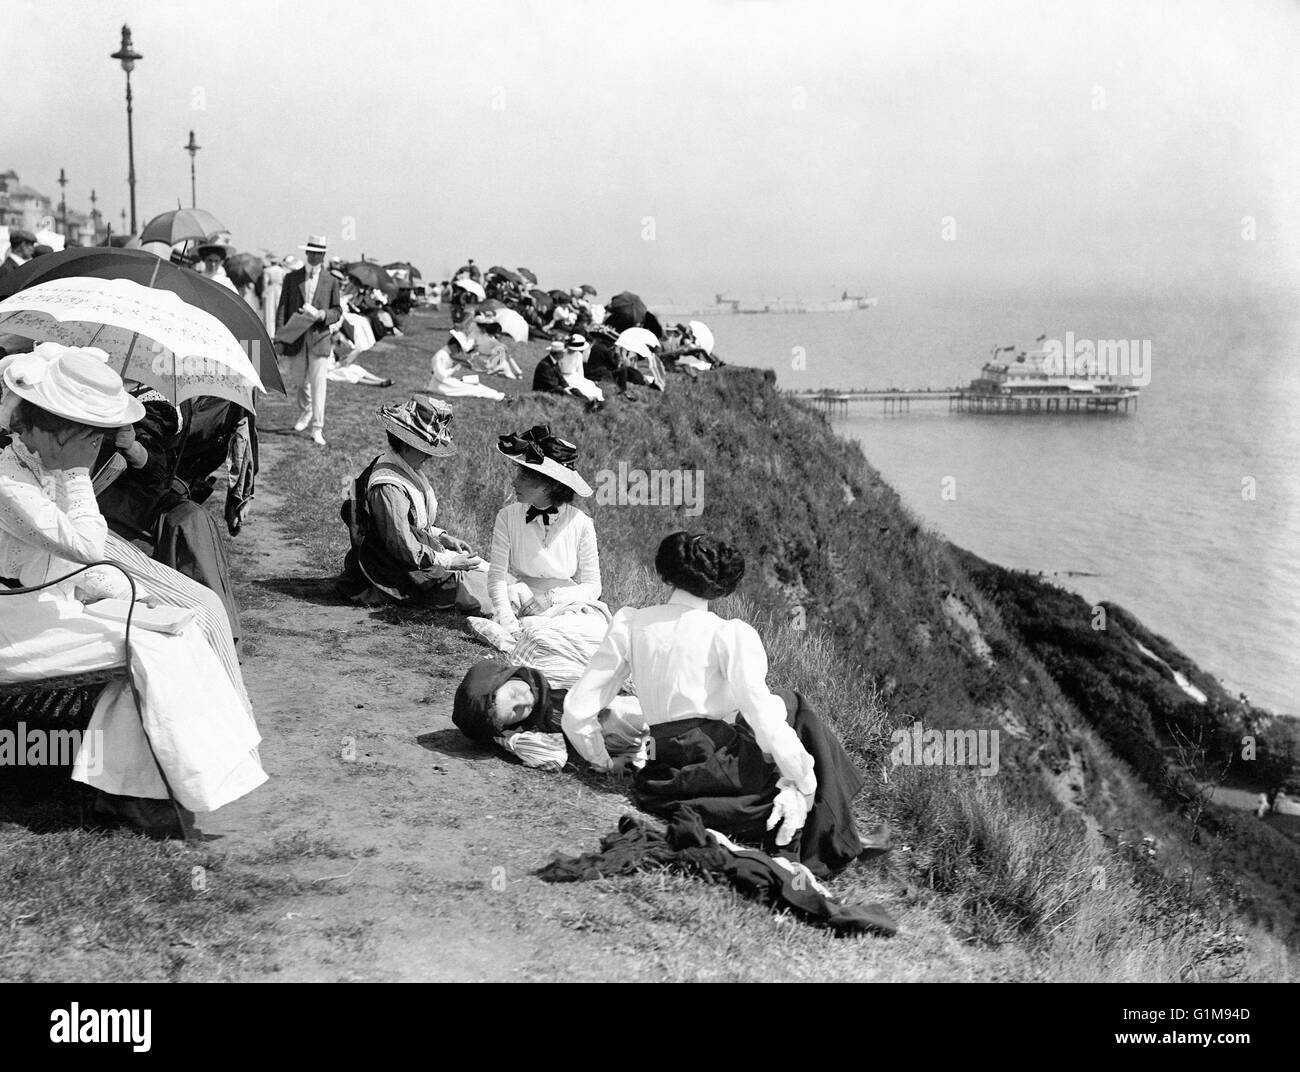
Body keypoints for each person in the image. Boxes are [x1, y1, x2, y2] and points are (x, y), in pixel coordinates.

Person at [0, 344, 264, 835]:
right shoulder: (11, 481)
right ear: (56, 431)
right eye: (90, 435)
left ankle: (145, 785)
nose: (97, 447)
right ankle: (130, 794)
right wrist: (79, 473)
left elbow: (67, 563)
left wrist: (128, 597)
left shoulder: (38, 468)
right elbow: (85, 544)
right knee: (150, 647)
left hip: (40, 604)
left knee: (175, 628)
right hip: (13, 627)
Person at [563, 532, 869, 876]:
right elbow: (761, 716)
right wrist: (803, 780)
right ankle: (834, 830)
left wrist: (600, 759)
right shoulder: (729, 634)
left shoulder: (632, 622)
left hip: (661, 776)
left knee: (783, 706)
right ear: (723, 586)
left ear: (667, 572)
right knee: (793, 707)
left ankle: (838, 820)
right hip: (715, 767)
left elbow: (577, 709)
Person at [466, 425, 610, 688]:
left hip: (567, 601)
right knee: (535, 633)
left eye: (524, 476)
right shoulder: (508, 516)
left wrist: (553, 598)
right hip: (523, 598)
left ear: (549, 485)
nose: (514, 481)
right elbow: (497, 575)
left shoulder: (581, 523)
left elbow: (593, 586)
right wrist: (508, 619)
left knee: (593, 634)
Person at [338, 397, 489, 612]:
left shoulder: (406, 467)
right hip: (394, 569)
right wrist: (447, 562)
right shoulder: (388, 486)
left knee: (494, 575)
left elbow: (410, 524)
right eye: (425, 447)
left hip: (415, 555)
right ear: (407, 443)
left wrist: (442, 536)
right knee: (484, 593)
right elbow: (399, 543)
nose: (429, 455)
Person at [276, 234, 342, 447]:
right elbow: (283, 309)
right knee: (298, 381)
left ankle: (317, 427)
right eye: (311, 252)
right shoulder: (292, 278)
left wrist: (322, 315)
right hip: (296, 338)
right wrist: (280, 336)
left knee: (318, 384)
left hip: (319, 338)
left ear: (323, 256)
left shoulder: (331, 281)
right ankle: (306, 411)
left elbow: (337, 311)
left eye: (319, 254)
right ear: (306, 253)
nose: (314, 256)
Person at [428, 330, 505, 401]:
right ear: (454, 345)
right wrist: (454, 369)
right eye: (459, 350)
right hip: (441, 386)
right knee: (474, 389)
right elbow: (440, 375)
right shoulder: (441, 355)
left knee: (475, 385)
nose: (458, 352)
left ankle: (499, 395)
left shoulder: (445, 355)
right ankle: (499, 397)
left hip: (444, 383)